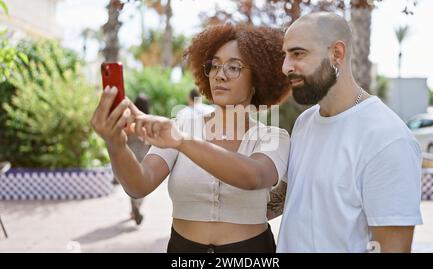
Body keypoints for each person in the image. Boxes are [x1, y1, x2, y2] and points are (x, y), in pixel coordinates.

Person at [91, 23, 291, 253]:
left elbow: (255, 176)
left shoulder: (272, 136)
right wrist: (115, 143)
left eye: (234, 67)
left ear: (257, 79)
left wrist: (182, 142)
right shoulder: (182, 126)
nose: (220, 75)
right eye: (214, 66)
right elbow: (139, 184)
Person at [270, 12, 423, 253]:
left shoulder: (388, 139)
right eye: (285, 55)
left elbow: (392, 248)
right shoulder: (305, 122)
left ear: (336, 54)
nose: (285, 67)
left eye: (297, 53)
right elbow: (286, 200)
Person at [126, 93, 151, 225]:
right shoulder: (148, 120)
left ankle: (133, 207)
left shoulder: (130, 119)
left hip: (130, 154)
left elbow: (125, 134)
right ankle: (137, 206)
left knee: (131, 183)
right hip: (143, 155)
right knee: (142, 183)